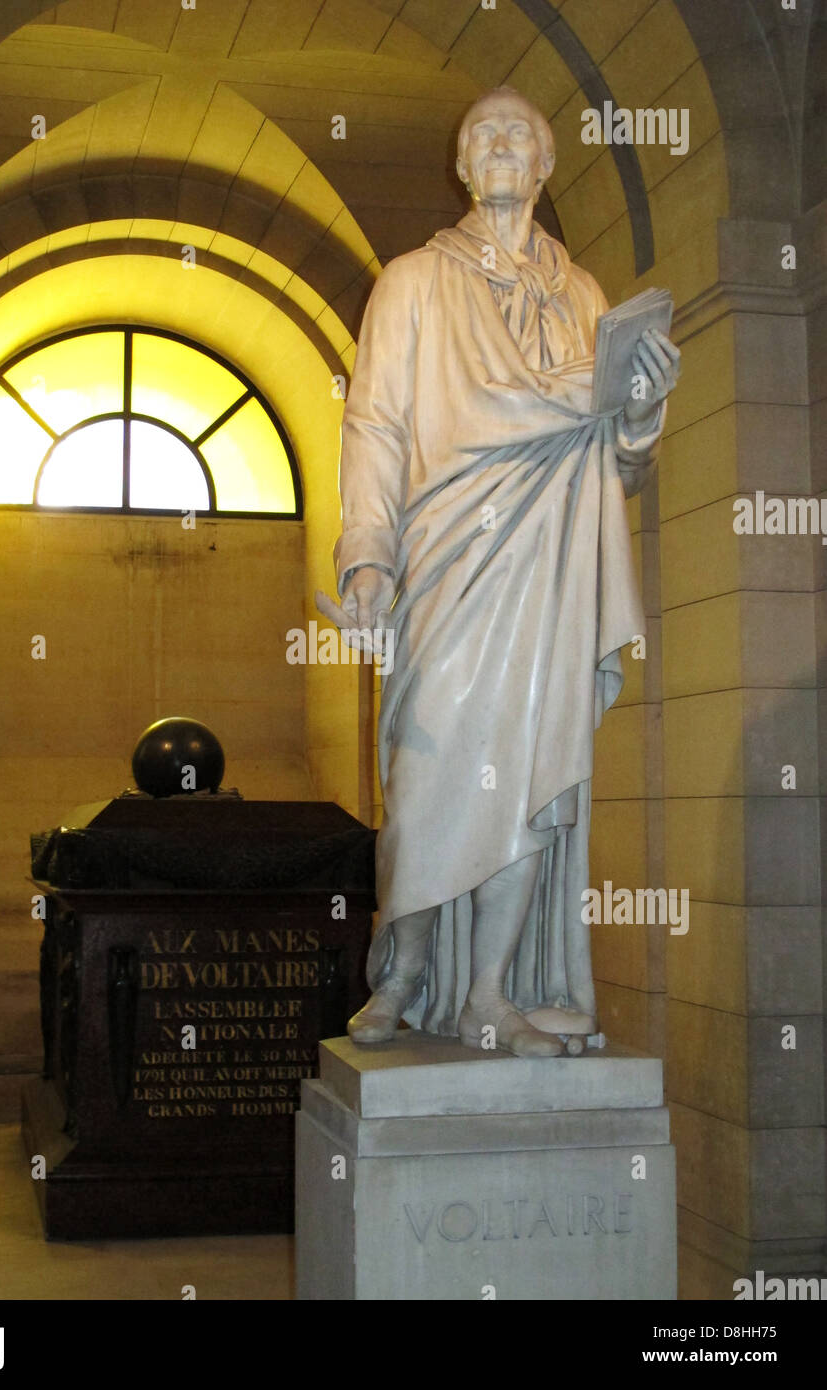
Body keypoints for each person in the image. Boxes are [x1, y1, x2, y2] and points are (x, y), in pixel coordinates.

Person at [333, 86, 680, 1056]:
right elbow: (373, 424)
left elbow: (619, 459)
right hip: (448, 554)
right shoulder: (409, 282)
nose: (496, 144)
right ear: (459, 165)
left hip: (550, 562)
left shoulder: (584, 299)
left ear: (542, 168)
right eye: (479, 132)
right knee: (429, 767)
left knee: (532, 771)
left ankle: (486, 991)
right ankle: (403, 963)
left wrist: (641, 411)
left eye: (516, 135)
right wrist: (366, 554)